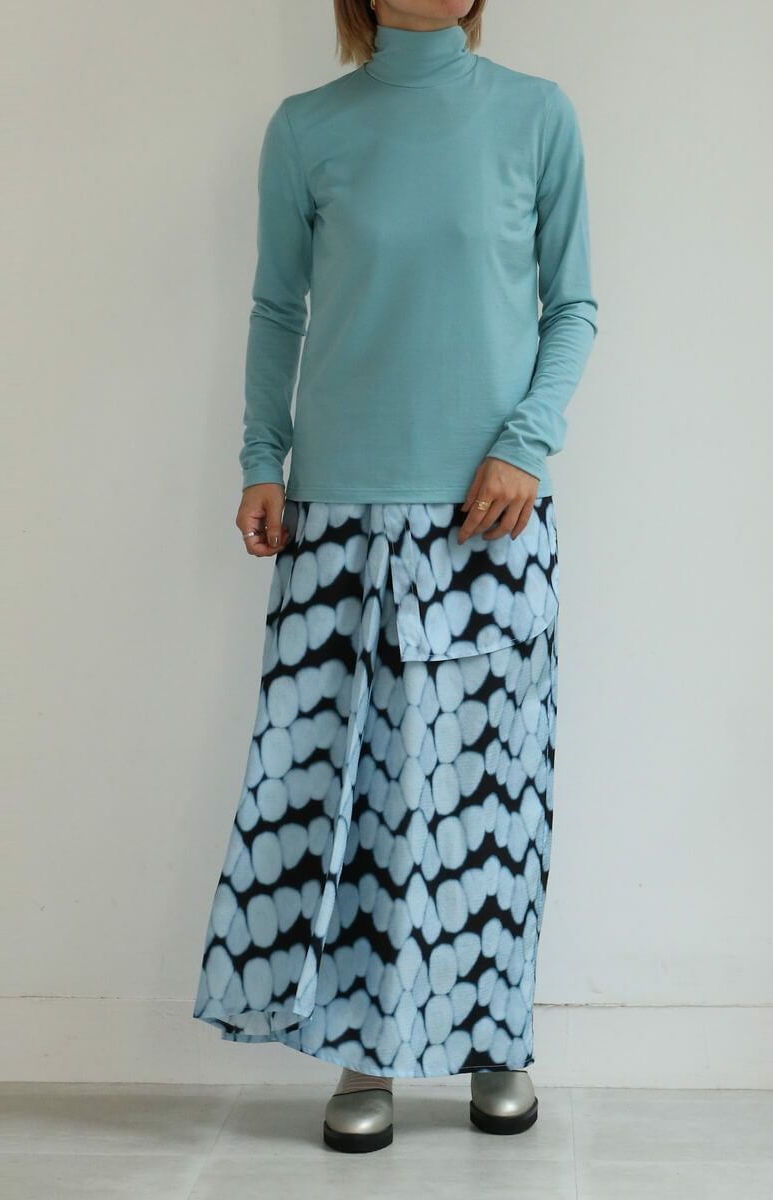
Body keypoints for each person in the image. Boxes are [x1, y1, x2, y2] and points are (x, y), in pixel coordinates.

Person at [191, 0, 597, 1154]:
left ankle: (495, 1039)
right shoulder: (307, 126)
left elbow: (572, 305)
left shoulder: (536, 116)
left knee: (491, 794)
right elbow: (278, 308)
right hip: (336, 515)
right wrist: (261, 459)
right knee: (346, 797)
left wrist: (524, 445)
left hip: (489, 515)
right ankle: (362, 1048)